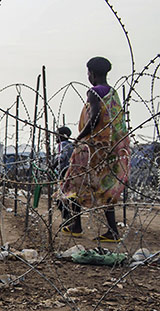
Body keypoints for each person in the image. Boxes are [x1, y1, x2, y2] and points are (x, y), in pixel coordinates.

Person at [58, 57, 130, 242]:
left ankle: (76, 225)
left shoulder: (94, 92)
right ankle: (112, 230)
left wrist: (80, 137)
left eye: (88, 72)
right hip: (109, 149)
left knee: (73, 182)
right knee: (104, 186)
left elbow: (95, 118)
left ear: (92, 73)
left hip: (91, 148)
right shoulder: (112, 93)